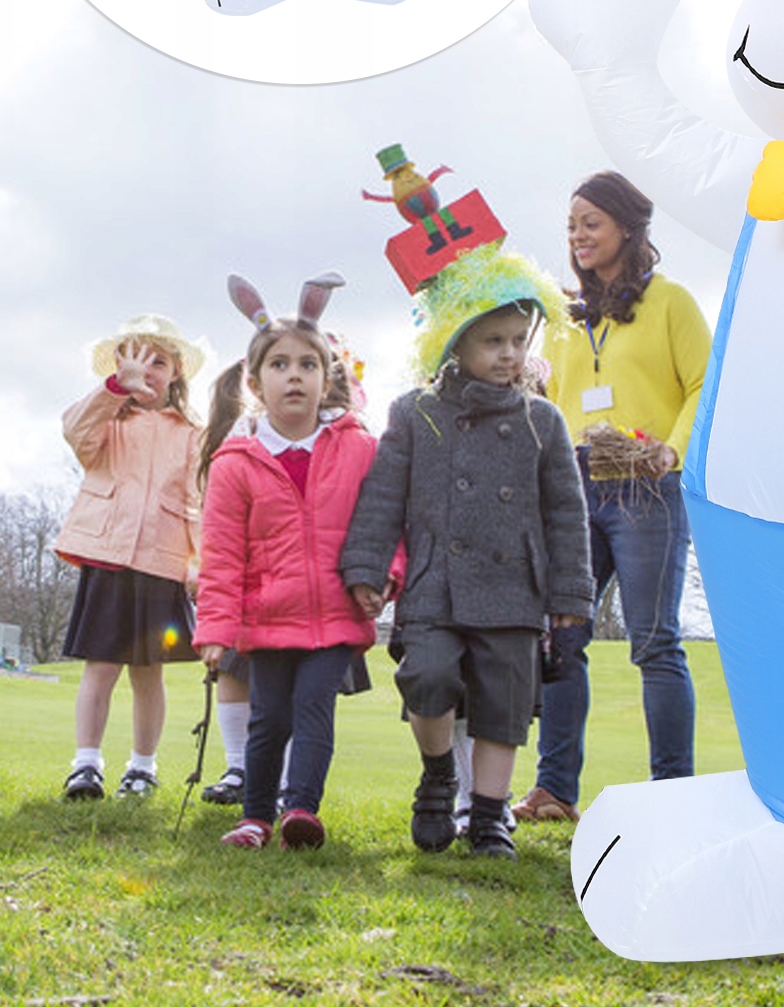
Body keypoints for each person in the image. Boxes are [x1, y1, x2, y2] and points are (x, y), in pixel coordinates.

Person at [340, 244, 595, 859]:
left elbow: (566, 514)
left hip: (515, 588)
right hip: (436, 583)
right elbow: (381, 498)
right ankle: (437, 779)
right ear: (455, 344)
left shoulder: (543, 420)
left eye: (518, 340)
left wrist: (569, 593)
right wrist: (366, 569)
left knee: (504, 705)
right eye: (493, 341)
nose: (509, 354)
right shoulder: (415, 414)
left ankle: (488, 817)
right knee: (425, 678)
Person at [513, 171, 711, 824]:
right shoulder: (563, 317)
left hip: (647, 489)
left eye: (590, 222)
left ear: (627, 227)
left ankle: (671, 793)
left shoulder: (672, 302)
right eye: (571, 225)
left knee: (653, 642)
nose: (578, 235)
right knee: (561, 638)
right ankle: (553, 790)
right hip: (574, 489)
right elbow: (553, 401)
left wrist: (671, 451)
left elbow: (704, 384)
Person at [194, 274, 381, 850]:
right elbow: (222, 553)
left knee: (313, 705)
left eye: (307, 364)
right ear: (255, 383)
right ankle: (255, 817)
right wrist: (216, 627)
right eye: (279, 365)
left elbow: (384, 523)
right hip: (267, 618)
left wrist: (382, 576)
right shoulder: (235, 462)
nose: (294, 375)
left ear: (328, 378)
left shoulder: (359, 448)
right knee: (269, 716)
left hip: (335, 616)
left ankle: (301, 809)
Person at [54, 316, 205, 801]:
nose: (148, 370)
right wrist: (116, 389)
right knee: (100, 667)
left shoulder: (193, 434)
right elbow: (74, 430)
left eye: (158, 361)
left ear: (177, 371)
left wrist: (199, 562)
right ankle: (85, 764)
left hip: (162, 563)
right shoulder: (106, 423)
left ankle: (142, 767)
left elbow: (200, 500)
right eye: (136, 360)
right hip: (107, 555)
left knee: (147, 672)